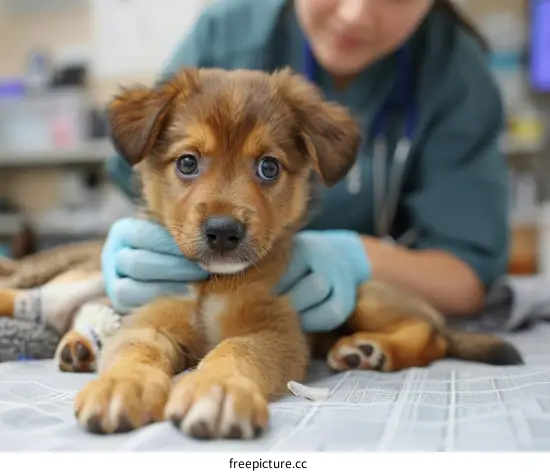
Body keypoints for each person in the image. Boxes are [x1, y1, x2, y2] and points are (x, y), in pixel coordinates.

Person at [101, 0, 510, 333]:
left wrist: (354, 259)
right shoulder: (226, 33)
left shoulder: (456, 74)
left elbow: (466, 277)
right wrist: (131, 252)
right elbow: (139, 163)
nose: (355, 13)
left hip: (357, 322)